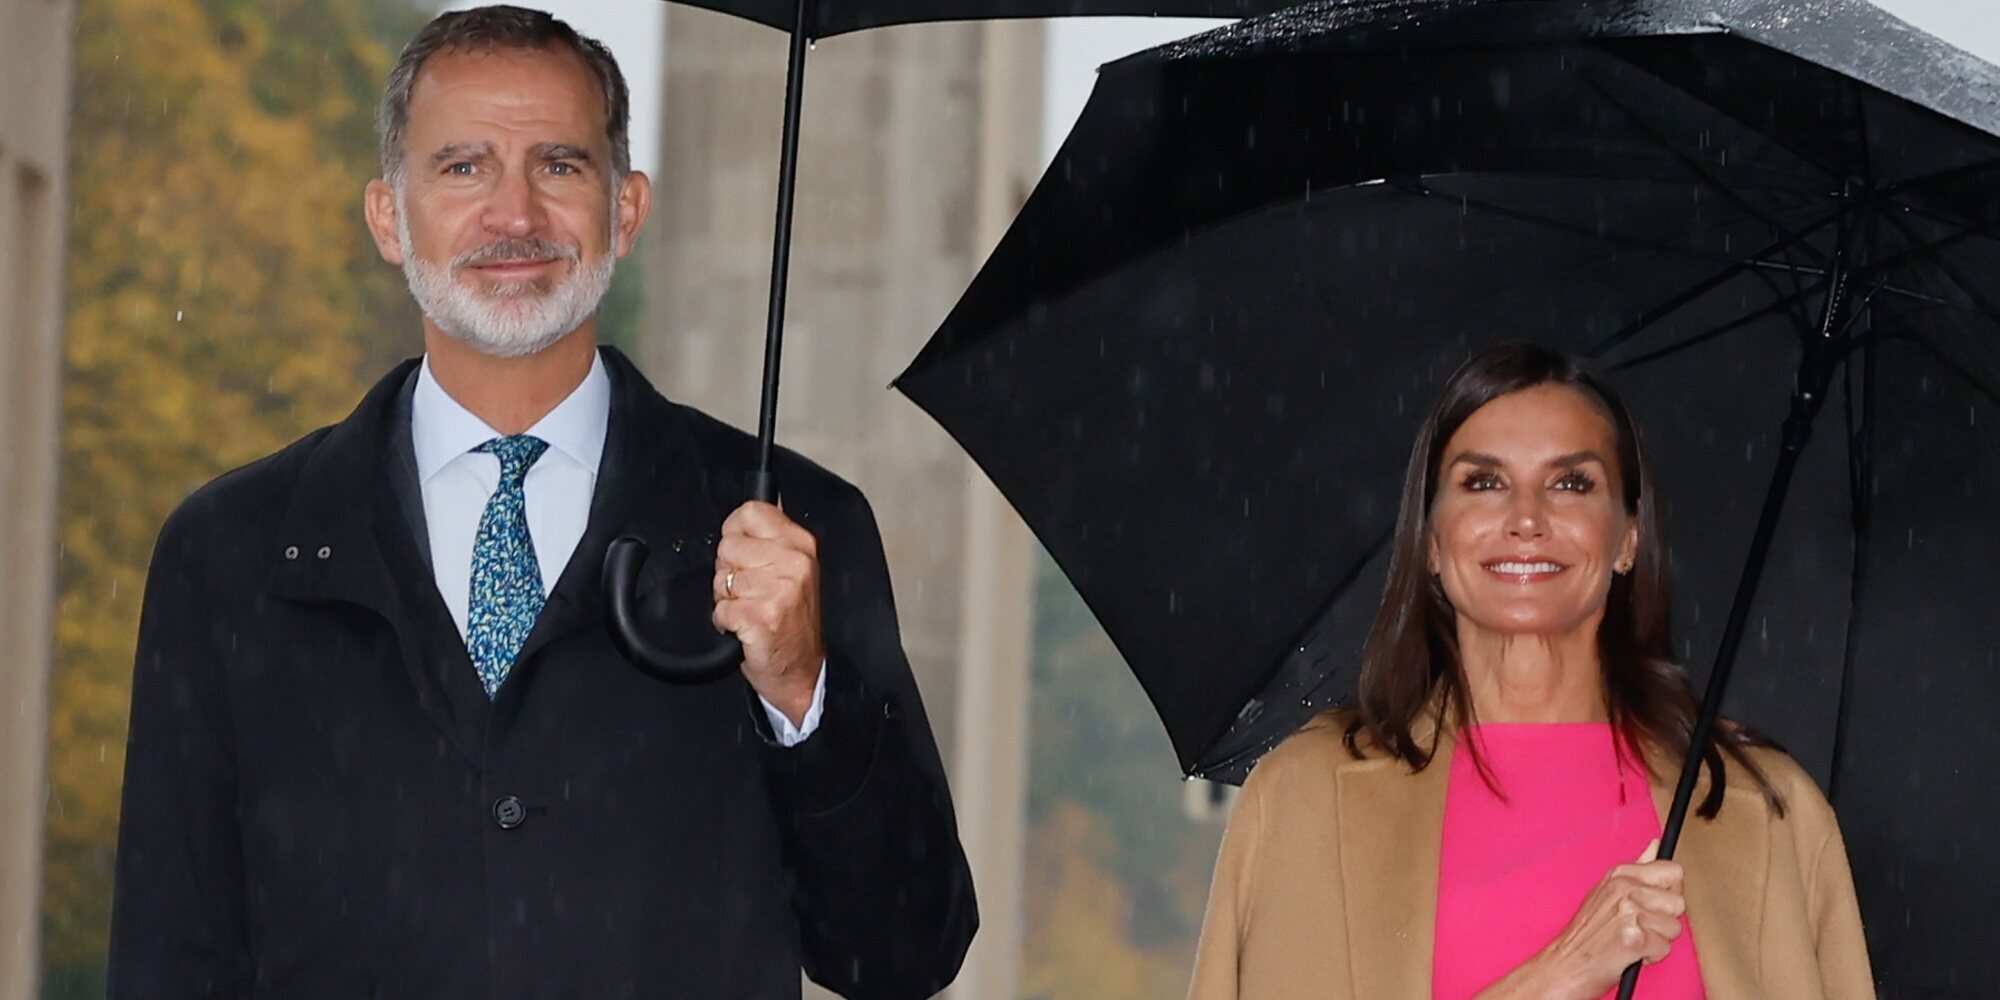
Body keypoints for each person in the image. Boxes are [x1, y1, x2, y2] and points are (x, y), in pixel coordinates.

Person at [107, 7, 975, 997]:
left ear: (627, 209)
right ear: (390, 216)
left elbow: (905, 951)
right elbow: (168, 961)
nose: (513, 217)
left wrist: (803, 698)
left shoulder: (793, 533)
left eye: (558, 167)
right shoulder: (229, 554)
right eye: (463, 168)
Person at [1187, 342, 1873, 999]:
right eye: (1484, 482)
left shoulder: (1768, 810)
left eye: (1571, 483)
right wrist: (1562, 974)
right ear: (1430, 538)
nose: (1526, 519)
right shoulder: (1303, 798)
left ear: (1630, 538)